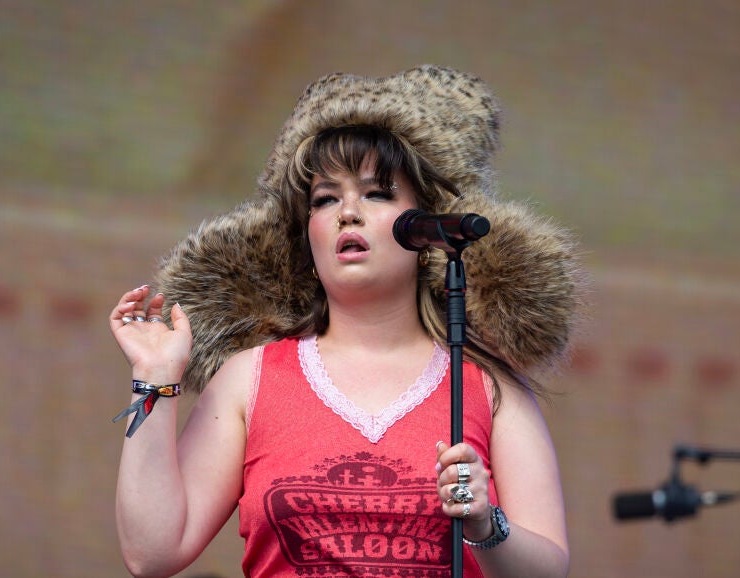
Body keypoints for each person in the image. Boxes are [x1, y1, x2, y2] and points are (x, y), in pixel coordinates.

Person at [110, 65, 578, 578]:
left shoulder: (488, 385)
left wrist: (487, 526)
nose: (347, 212)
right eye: (325, 199)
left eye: (377, 193)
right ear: (306, 235)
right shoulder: (250, 377)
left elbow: (549, 571)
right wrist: (154, 378)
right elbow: (152, 552)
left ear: (426, 230)